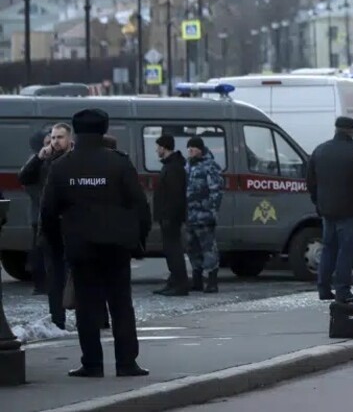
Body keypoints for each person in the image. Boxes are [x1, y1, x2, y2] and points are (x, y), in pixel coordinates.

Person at [39, 109, 151, 377]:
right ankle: (126, 363)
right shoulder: (119, 163)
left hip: (80, 246)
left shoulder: (62, 166)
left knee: (86, 307)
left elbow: (48, 211)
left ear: (76, 131)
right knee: (121, 305)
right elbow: (141, 206)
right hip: (116, 246)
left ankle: (92, 363)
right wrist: (138, 241)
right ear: (104, 130)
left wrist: (57, 245)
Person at [307, 117, 353, 302]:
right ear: (351, 131)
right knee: (346, 251)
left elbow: (310, 181)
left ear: (336, 129)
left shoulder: (320, 150)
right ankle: (342, 290)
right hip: (350, 212)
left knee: (329, 248)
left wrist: (318, 202)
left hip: (327, 211)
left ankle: (323, 288)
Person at [19, 123, 73, 330]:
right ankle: (57, 318)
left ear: (69, 139)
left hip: (72, 226)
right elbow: (24, 177)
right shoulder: (45, 161)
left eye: (60, 137)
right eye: (53, 138)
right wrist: (38, 158)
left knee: (81, 272)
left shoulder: (74, 159)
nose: (55, 142)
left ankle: (91, 315)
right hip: (51, 227)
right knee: (55, 275)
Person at [185, 136, 223, 294]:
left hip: (204, 215)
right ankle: (197, 280)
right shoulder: (188, 166)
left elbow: (216, 191)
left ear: (200, 149)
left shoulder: (210, 166)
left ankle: (212, 281)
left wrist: (212, 210)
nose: (190, 151)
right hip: (190, 215)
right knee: (193, 249)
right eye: (189, 149)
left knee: (208, 249)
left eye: (193, 148)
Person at [152, 135, 189, 296]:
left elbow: (175, 195)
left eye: (158, 146)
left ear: (164, 147)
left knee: (174, 251)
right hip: (167, 216)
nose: (156, 150)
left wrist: (169, 216)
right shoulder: (170, 165)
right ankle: (174, 281)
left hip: (170, 217)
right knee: (170, 250)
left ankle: (180, 284)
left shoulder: (173, 168)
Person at [24, 128, 51, 295]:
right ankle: (41, 284)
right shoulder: (36, 162)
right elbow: (34, 189)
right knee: (40, 251)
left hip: (40, 213)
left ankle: (42, 283)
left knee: (40, 250)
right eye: (48, 141)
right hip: (41, 213)